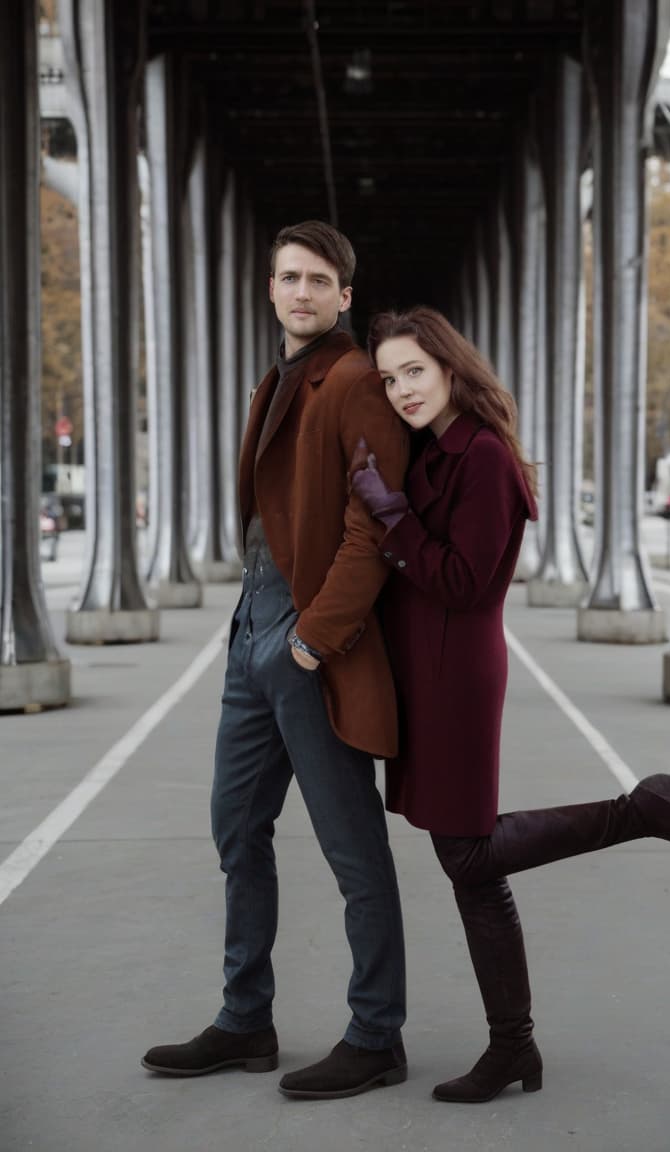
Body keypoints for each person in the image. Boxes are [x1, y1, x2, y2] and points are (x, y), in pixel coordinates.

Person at [350, 306, 670, 1105]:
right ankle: (513, 1049)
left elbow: (461, 579)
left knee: (469, 856)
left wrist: (389, 513)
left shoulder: (483, 457)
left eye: (413, 371)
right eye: (388, 379)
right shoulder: (431, 450)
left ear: (451, 367)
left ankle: (638, 812)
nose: (401, 390)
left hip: (456, 673)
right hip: (423, 671)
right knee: (470, 868)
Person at [142, 222, 411, 1101]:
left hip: (308, 640)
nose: (301, 291)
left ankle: (376, 1035)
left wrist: (309, 637)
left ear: (343, 296)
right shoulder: (277, 378)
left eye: (319, 280)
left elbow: (374, 524)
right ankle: (244, 1020)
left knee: (352, 850)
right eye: (288, 277)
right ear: (271, 289)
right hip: (251, 627)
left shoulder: (358, 381)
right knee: (236, 830)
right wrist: (263, 629)